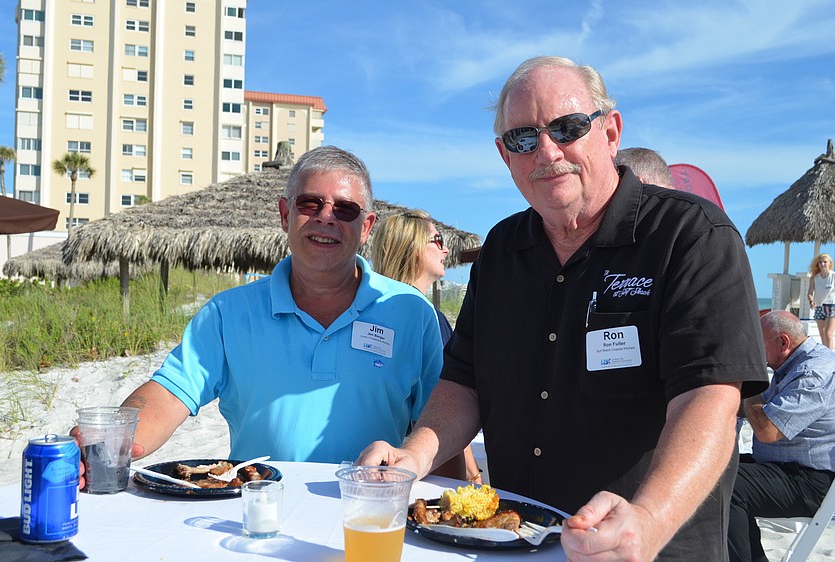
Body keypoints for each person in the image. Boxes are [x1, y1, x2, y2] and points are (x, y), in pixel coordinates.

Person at [357, 56, 768, 561]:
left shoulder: (692, 236)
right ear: (505, 156)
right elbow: (465, 381)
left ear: (610, 132)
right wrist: (411, 457)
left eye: (567, 127)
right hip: (515, 540)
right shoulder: (502, 250)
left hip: (645, 548)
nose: (547, 151)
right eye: (523, 138)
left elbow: (710, 401)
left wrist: (649, 520)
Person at [74, 146, 444, 479]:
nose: (326, 218)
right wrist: (112, 439)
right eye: (310, 204)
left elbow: (439, 426)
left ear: (366, 228)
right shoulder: (228, 313)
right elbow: (170, 394)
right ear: (286, 215)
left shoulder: (411, 312)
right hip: (255, 511)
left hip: (369, 511)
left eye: (344, 209)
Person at [370, 209, 483, 483]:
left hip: (384, 465)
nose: (445, 250)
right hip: (418, 470)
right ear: (411, 247)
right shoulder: (426, 317)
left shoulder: (371, 314)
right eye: (437, 240)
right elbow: (447, 404)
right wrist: (472, 476)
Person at [729, 310, 835, 562]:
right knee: (714, 468)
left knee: (725, 484)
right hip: (787, 468)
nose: (753, 351)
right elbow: (753, 411)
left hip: (812, 482)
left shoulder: (813, 372)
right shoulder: (792, 364)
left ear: (783, 342)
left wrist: (748, 381)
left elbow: (767, 430)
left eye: (757, 344)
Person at [807, 253, 835, 349]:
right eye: (820, 262)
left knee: (828, 333)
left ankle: (831, 357)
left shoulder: (833, 276)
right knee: (822, 334)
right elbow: (810, 293)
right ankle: (825, 354)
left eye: (825, 262)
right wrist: (811, 301)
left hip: (832, 306)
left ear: (830, 263)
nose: (822, 264)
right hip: (819, 306)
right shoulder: (814, 278)